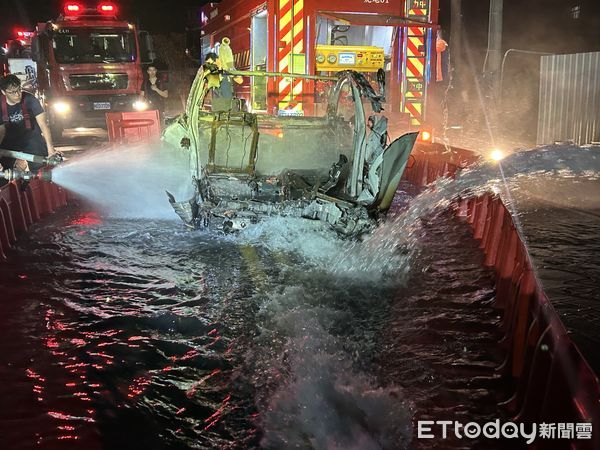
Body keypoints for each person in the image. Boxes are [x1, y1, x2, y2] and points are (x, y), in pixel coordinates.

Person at [0, 74, 55, 175]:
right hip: (9, 142)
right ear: (4, 92)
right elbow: (1, 132)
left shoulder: (30, 99)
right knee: (5, 173)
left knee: (40, 170)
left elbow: (43, 125)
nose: (17, 94)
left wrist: (50, 149)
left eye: (18, 90)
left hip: (31, 139)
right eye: (12, 92)